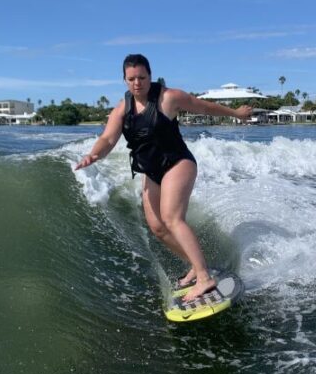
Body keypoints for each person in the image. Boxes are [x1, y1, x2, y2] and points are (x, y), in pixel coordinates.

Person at [75, 54, 252, 302]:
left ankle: (204, 277)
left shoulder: (168, 98)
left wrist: (235, 113)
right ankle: (196, 265)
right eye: (131, 79)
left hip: (178, 163)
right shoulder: (122, 109)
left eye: (142, 77)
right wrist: (93, 155)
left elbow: (204, 106)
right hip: (152, 172)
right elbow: (107, 139)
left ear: (150, 76)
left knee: (172, 218)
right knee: (158, 227)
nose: (137, 83)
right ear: (124, 80)